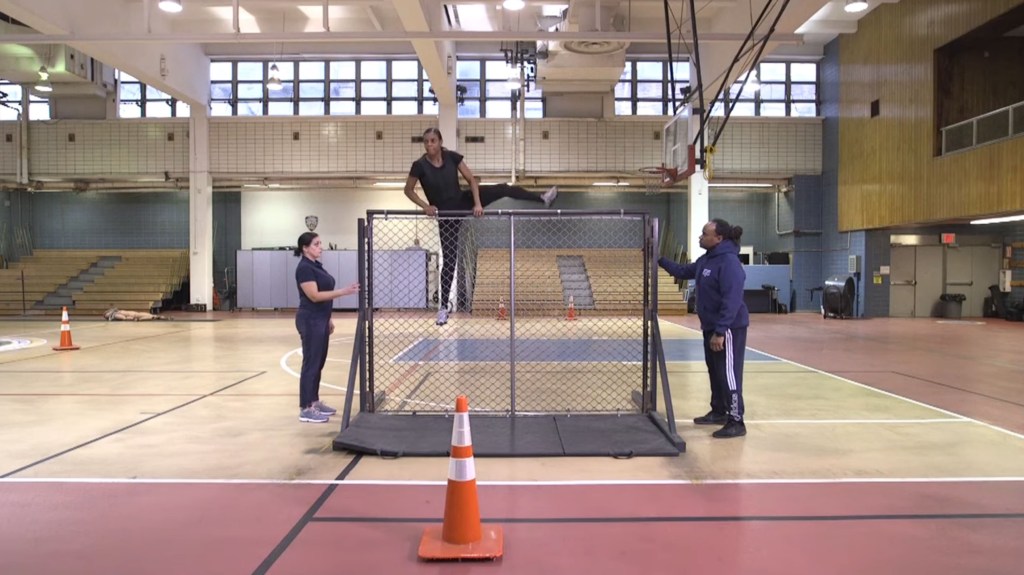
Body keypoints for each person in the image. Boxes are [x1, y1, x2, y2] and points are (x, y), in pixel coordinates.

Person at [404, 127, 558, 325]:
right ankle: (443, 308)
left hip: (463, 201)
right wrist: (426, 206)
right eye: (426, 141)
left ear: (440, 142)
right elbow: (408, 190)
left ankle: (542, 198)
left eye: (433, 141)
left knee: (503, 188)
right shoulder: (419, 166)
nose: (429, 145)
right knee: (449, 262)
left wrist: (477, 203)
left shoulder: (451, 157)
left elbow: (471, 180)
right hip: (447, 215)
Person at [657, 219, 750, 439]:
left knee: (729, 374)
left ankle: (736, 420)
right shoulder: (707, 260)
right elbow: (681, 271)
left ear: (719, 238)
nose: (700, 237)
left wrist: (720, 331)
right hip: (711, 326)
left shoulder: (729, 263)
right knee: (715, 371)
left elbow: (732, 299)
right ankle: (718, 411)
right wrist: (659, 259)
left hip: (727, 329)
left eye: (704, 233)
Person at [294, 231, 360, 424]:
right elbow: (314, 296)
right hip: (310, 319)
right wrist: (344, 292)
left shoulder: (316, 266)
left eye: (320, 243)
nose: (320, 247)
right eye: (316, 244)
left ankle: (314, 401)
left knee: (319, 362)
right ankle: (306, 408)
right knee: (311, 363)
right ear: (305, 248)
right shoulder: (304, 268)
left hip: (321, 319)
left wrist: (328, 318)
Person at [103, 307, 173, 321]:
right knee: (151, 316)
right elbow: (123, 318)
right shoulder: (115, 315)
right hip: (135, 316)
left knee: (151, 315)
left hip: (136, 314)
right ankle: (161, 318)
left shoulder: (116, 312)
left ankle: (163, 318)